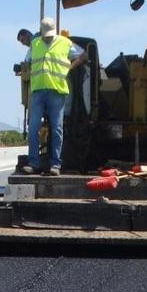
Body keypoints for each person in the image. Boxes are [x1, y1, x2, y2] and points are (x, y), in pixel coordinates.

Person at [19, 17, 88, 176]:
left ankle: (55, 165)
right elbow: (26, 63)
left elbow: (84, 56)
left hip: (56, 92)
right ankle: (33, 163)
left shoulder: (64, 43)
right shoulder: (35, 44)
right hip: (38, 92)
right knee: (34, 128)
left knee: (57, 128)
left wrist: (69, 68)